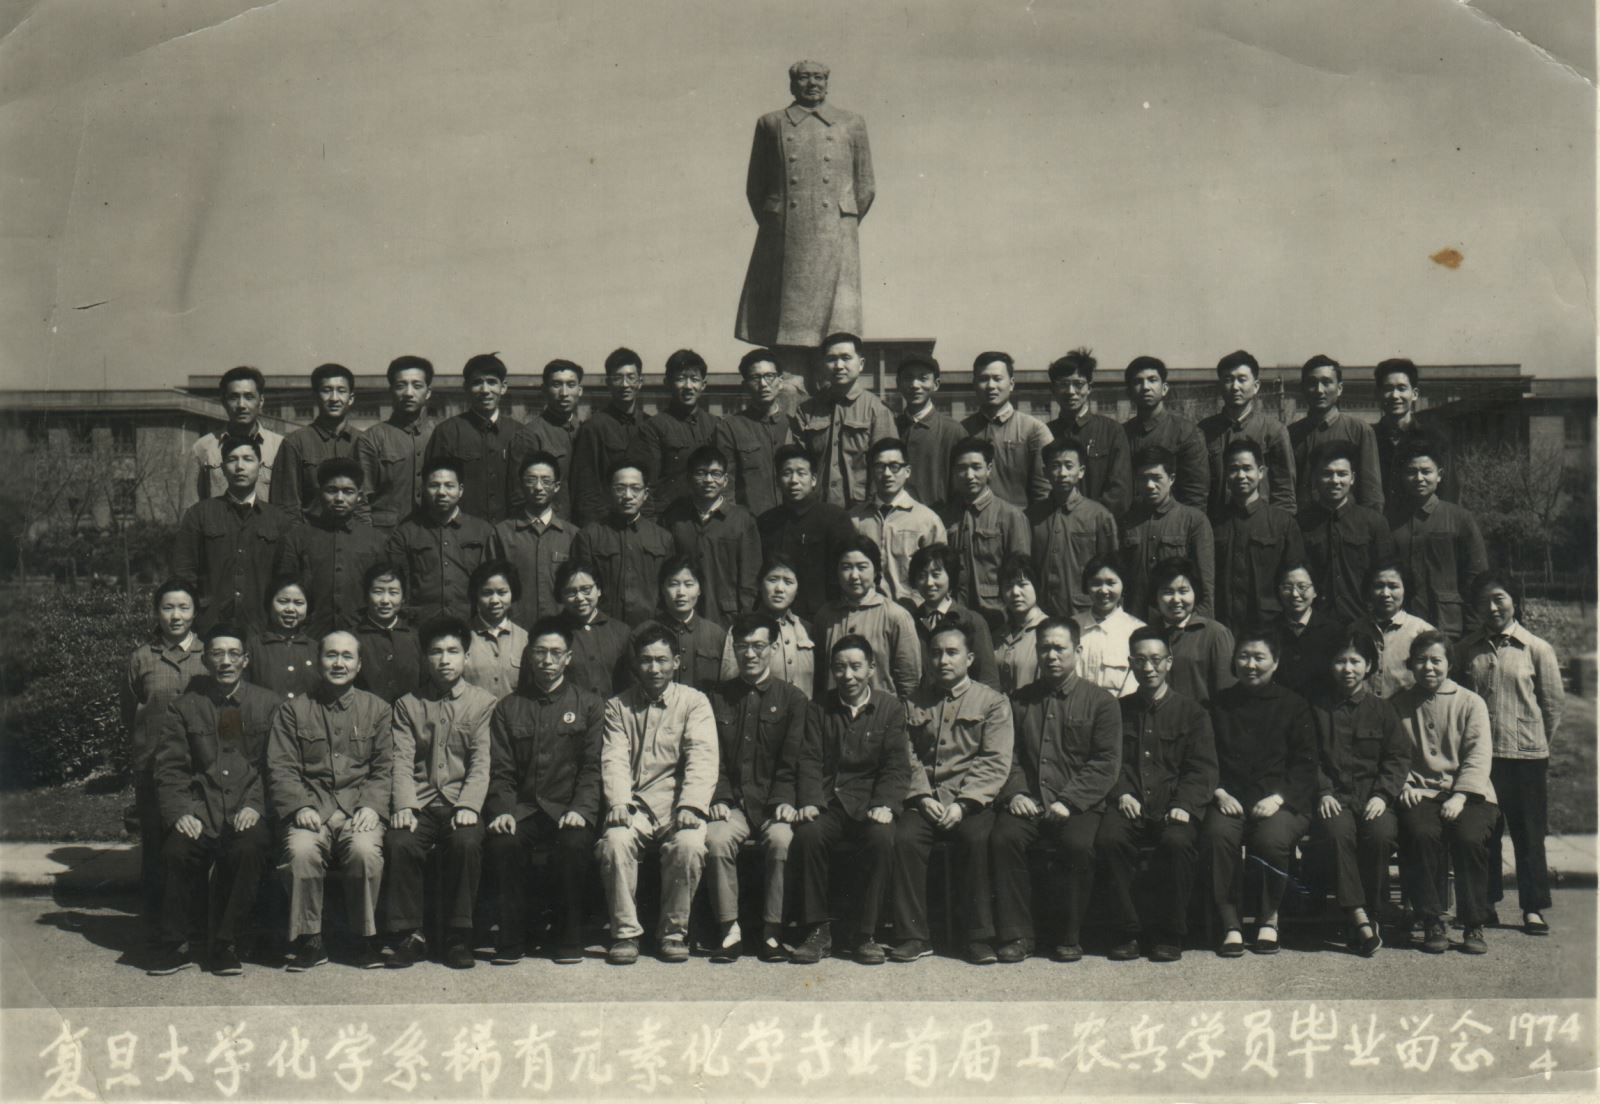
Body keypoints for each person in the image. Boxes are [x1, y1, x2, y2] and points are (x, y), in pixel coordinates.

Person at [146, 624, 283, 976]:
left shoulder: (268, 704)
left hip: (247, 809)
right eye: (217, 654)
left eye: (234, 654)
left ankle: (225, 943)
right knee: (176, 851)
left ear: (246, 660)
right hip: (201, 810)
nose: (226, 661)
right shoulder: (185, 707)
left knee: (250, 849)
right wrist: (181, 812)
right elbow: (170, 768)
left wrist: (255, 805)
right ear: (205, 660)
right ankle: (174, 943)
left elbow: (276, 767)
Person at [992, 618, 1121, 963]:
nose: (1051, 656)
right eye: (1044, 648)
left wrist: (1069, 801)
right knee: (1004, 838)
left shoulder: (1102, 702)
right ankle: (1018, 935)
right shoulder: (1019, 701)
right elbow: (1007, 755)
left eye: (1059, 648)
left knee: (1077, 845)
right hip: (1030, 800)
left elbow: (1106, 762)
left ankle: (1068, 936)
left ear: (1077, 651)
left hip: (1080, 804)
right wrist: (1016, 793)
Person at [267, 630, 392, 971]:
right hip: (312, 807)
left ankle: (363, 938)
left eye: (347, 656)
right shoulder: (293, 710)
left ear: (359, 664)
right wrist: (300, 806)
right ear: (318, 661)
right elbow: (281, 766)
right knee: (301, 851)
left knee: (365, 852)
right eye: (331, 655)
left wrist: (371, 806)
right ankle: (310, 939)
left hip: (359, 808)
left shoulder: (377, 709)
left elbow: (384, 767)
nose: (339, 663)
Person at [596, 623, 719, 965]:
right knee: (615, 841)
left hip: (677, 803)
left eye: (662, 660)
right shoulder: (618, 706)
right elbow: (614, 758)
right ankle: (625, 933)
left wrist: (691, 804)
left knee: (689, 845)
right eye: (646, 660)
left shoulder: (695, 702)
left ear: (676, 662)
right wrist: (618, 802)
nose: (654, 668)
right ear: (636, 664)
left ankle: (673, 933)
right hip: (635, 803)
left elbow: (702, 756)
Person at [892, 622, 1014, 964]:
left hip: (972, 801)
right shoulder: (912, 703)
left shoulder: (992, 702)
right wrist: (921, 796)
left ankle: (977, 937)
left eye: (951, 653)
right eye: (935, 653)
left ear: (969, 658)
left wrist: (964, 804)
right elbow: (906, 755)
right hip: (926, 800)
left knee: (976, 840)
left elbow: (995, 759)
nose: (943, 660)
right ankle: (914, 935)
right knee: (905, 839)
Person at [484, 617, 603, 965]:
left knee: (574, 844)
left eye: (555, 653)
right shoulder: (508, 707)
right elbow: (501, 770)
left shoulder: (588, 704)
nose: (547, 660)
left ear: (568, 658)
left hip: (567, 808)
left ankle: (568, 938)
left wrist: (581, 809)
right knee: (504, 842)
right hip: (523, 808)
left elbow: (592, 767)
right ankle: (511, 939)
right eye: (540, 652)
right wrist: (504, 811)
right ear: (529, 655)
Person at [1095, 628, 1217, 963]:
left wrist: (1184, 805)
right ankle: (1127, 932)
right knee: (1108, 839)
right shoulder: (1116, 710)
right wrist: (1121, 793)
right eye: (1140, 660)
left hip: (1173, 805)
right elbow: (1108, 760)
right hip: (1129, 802)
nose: (1148, 668)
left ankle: (1169, 933)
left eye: (1155, 660)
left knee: (1177, 842)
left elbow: (1202, 769)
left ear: (1169, 662)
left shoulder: (1193, 713)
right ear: (1130, 663)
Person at [736, 59, 874, 350]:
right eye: (804, 78)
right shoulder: (771, 123)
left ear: (827, 83)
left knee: (837, 322)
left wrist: (840, 221)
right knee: (787, 322)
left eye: (819, 78)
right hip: (785, 231)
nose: (812, 84)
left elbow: (865, 186)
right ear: (792, 84)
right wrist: (777, 222)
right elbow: (756, 187)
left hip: (835, 231)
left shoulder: (851, 122)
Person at [789, 636, 911, 965]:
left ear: (871, 668)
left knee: (881, 839)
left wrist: (885, 804)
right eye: (840, 667)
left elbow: (897, 766)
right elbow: (809, 758)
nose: (848, 675)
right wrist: (810, 800)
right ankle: (818, 930)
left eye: (856, 667)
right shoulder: (819, 707)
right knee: (808, 835)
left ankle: (865, 933)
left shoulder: (889, 708)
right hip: (830, 800)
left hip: (870, 803)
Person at [383, 618, 496, 970]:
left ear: (466, 657)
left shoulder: (483, 703)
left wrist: (469, 805)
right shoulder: (407, 705)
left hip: (460, 801)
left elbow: (481, 761)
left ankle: (457, 936)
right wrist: (405, 804)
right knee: (400, 841)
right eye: (436, 652)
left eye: (452, 651)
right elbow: (401, 760)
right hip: (421, 801)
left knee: (466, 841)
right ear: (425, 657)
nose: (444, 659)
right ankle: (411, 935)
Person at [1457, 573, 1565, 936]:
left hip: (1526, 760)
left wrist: (1533, 742)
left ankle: (1533, 908)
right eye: (1484, 601)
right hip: (1481, 760)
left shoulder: (1536, 648)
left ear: (1514, 601)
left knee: (1529, 834)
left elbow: (1552, 706)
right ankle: (1485, 905)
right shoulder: (1467, 649)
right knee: (1483, 833)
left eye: (1499, 599)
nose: (1492, 608)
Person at [1204, 629, 1317, 956]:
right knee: (1217, 835)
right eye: (1244, 657)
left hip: (1281, 801)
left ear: (1275, 662)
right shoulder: (1217, 704)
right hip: (1228, 799)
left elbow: (1306, 763)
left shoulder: (1294, 705)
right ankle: (1230, 923)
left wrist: (1279, 798)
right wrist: (1219, 793)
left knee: (1271, 839)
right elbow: (1203, 758)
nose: (1250, 664)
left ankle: (1269, 919)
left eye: (1259, 657)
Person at [704, 613, 809, 962]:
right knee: (717, 838)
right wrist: (719, 796)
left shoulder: (793, 699)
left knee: (781, 840)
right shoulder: (717, 697)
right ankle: (729, 931)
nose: (749, 654)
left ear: (774, 648)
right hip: (732, 804)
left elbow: (793, 759)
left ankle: (772, 931)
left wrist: (784, 800)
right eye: (742, 646)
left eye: (758, 646)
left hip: (772, 803)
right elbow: (711, 756)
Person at [1391, 631, 1500, 955]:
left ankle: (1473, 922)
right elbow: (1391, 754)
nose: (1428, 667)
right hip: (1419, 790)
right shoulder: (1397, 704)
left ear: (1449, 664)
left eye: (1436, 660)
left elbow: (1478, 755)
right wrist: (1404, 784)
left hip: (1470, 793)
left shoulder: (1471, 702)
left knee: (1469, 838)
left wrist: (1460, 795)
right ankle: (1431, 919)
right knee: (1421, 834)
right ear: (1411, 664)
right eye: (1421, 660)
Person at [1311, 630, 1410, 956]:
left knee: (1381, 835)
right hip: (1334, 798)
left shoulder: (1383, 710)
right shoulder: (1317, 709)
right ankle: (1359, 916)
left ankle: (1373, 912)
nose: (1348, 669)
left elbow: (1398, 757)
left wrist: (1382, 795)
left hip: (1373, 798)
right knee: (1337, 834)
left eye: (1355, 661)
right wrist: (1323, 792)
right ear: (1330, 665)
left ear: (1368, 666)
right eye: (1340, 661)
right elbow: (1308, 758)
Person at [122, 580, 206, 924]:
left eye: (184, 607)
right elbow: (130, 712)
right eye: (168, 607)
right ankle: (157, 926)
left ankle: (196, 922)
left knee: (193, 844)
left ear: (195, 612)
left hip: (199, 768)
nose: (176, 615)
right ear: (157, 612)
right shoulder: (141, 658)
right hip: (152, 767)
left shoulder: (209, 656)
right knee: (156, 846)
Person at [172, 435, 294, 632]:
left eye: (248, 459)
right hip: (209, 629)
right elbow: (184, 574)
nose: (239, 467)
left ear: (260, 466)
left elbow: (286, 580)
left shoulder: (278, 521)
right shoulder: (199, 515)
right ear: (222, 468)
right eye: (232, 460)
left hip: (262, 630)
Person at [1386, 439, 1488, 640]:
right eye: (1411, 472)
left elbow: (1477, 577)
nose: (1419, 478)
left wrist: (1473, 629)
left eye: (1426, 471)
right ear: (1402, 476)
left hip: (1449, 626)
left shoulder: (1460, 518)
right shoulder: (1390, 522)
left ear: (1439, 475)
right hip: (1402, 624)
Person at [275, 457, 388, 635]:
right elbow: (283, 592)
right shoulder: (297, 538)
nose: (339, 498)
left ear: (359, 496)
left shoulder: (376, 541)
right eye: (332, 490)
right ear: (319, 493)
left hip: (361, 636)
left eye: (348, 491)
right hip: (309, 637)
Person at [385, 457, 503, 625]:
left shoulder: (483, 531)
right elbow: (399, 584)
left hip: (471, 625)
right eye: (434, 485)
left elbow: (493, 582)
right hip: (421, 625)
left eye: (449, 485)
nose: (441, 492)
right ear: (423, 489)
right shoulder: (405, 533)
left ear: (460, 490)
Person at [790, 333, 896, 508]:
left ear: (861, 364)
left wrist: (874, 511)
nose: (839, 366)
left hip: (860, 511)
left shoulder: (877, 410)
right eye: (831, 359)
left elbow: (887, 468)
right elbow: (795, 463)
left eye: (846, 358)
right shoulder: (806, 411)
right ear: (823, 364)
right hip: (816, 509)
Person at [1210, 437, 1305, 632]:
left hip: (1269, 627)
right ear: (1226, 474)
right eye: (1233, 469)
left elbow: (1295, 577)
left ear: (1261, 472)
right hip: (1223, 626)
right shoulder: (1213, 523)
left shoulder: (1282, 523)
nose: (1241, 475)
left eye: (1247, 468)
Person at [1297, 441, 1395, 625]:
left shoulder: (1374, 523)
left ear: (1353, 478)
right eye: (1327, 474)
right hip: (1315, 625)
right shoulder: (1300, 524)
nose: (1335, 481)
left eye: (1342, 474)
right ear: (1315, 478)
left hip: (1363, 623)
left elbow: (1386, 575)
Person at [757, 443, 859, 619]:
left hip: (822, 618)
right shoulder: (766, 521)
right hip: (774, 616)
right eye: (787, 473)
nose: (794, 480)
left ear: (813, 480)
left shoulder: (834, 518)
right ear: (778, 480)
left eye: (801, 473)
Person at [662, 445, 761, 626]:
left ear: (725, 480)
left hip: (728, 619)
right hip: (683, 616)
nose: (708, 480)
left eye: (715, 473)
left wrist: (744, 619)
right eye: (701, 473)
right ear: (689, 478)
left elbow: (750, 578)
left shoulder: (742, 519)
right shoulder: (675, 518)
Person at [570, 459, 676, 627]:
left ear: (646, 493)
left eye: (635, 488)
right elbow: (581, 588)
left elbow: (669, 589)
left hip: (650, 630)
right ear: (608, 492)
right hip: (603, 630)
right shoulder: (588, 536)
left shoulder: (663, 538)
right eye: (620, 488)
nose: (627, 496)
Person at [424, 353, 528, 524]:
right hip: (461, 532)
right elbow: (432, 489)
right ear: (466, 387)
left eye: (492, 382)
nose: (485, 390)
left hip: (510, 532)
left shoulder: (520, 433)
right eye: (477, 382)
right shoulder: (447, 432)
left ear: (503, 387)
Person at [814, 539, 921, 699]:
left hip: (881, 710)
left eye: (862, 567)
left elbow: (909, 681)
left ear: (876, 570)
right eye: (846, 567)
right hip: (834, 709)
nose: (854, 575)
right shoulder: (825, 615)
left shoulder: (895, 615)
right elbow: (819, 673)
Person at [942, 437, 1032, 626]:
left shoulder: (1010, 516)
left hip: (997, 616)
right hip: (954, 615)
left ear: (989, 469)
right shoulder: (946, 516)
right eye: (961, 468)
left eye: (976, 467)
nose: (969, 475)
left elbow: (1020, 573)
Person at [1118, 445, 1215, 620]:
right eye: (1143, 478)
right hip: (1136, 620)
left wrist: (1194, 627)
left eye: (1156, 478)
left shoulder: (1194, 521)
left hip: (1178, 622)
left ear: (1171, 479)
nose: (1149, 485)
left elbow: (1205, 588)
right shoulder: (1126, 522)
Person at [1028, 437, 1118, 619]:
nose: (1062, 473)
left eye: (1069, 466)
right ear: (1045, 472)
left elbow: (1112, 568)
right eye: (1055, 466)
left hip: (1083, 612)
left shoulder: (1099, 516)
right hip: (1041, 612)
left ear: (1081, 471)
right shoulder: (1032, 516)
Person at [1199, 349, 1296, 514]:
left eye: (1242, 379)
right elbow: (1197, 488)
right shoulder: (1204, 431)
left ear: (1256, 386)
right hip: (1216, 523)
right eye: (1228, 380)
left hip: (1261, 524)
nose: (1235, 387)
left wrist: (1277, 525)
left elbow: (1284, 492)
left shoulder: (1274, 431)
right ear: (1220, 386)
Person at [850, 437, 945, 601]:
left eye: (894, 467)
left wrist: (917, 604)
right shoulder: (854, 518)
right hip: (864, 608)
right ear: (871, 471)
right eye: (880, 467)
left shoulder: (928, 520)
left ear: (907, 471)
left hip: (912, 609)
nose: (887, 474)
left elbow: (940, 574)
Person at [1043, 348, 1132, 516]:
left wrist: (1088, 519)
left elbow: (1120, 491)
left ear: (1089, 388)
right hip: (1053, 524)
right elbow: (1039, 488)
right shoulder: (1044, 433)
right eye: (1063, 384)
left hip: (1099, 524)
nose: (1071, 392)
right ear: (1053, 389)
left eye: (1078, 384)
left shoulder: (1112, 430)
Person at [1290, 354, 1384, 510]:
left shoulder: (1359, 430)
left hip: (1350, 521)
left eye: (1326, 382)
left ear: (1339, 388)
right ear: (1303, 388)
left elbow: (1371, 494)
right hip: (1303, 522)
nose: (1319, 390)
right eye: (1312, 383)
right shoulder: (1290, 433)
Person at [495, 450, 576, 629]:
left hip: (561, 631)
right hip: (514, 630)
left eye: (546, 481)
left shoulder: (572, 535)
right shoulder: (501, 533)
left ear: (557, 486)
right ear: (521, 484)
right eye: (531, 480)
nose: (538, 487)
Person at [274, 363, 366, 521]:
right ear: (315, 396)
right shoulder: (295, 443)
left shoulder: (365, 442)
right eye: (327, 390)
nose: (334, 398)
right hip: (309, 533)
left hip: (356, 534)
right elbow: (286, 506)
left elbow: (367, 503)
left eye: (341, 391)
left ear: (351, 398)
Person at [901, 543, 998, 691]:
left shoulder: (972, 621)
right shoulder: (909, 622)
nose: (929, 583)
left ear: (950, 576)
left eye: (936, 574)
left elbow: (988, 679)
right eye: (922, 576)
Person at [962, 351, 1053, 508]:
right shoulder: (962, 430)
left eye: (997, 379)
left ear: (1011, 384)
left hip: (1020, 519)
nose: (991, 386)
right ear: (974, 384)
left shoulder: (1034, 430)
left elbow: (1044, 491)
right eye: (984, 379)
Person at [717, 556, 818, 697]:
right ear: (760, 584)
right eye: (773, 580)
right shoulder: (741, 628)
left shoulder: (807, 630)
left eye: (788, 582)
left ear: (797, 589)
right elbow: (729, 683)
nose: (779, 589)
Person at [356, 355, 436, 531]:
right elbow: (360, 500)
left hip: (431, 535)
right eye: (401, 386)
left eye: (417, 386)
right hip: (384, 536)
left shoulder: (439, 435)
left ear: (428, 392)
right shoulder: (371, 438)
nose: (408, 393)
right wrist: (369, 539)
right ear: (391, 391)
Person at [638, 349, 720, 519]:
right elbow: (647, 485)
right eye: (680, 379)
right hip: (669, 519)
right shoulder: (653, 427)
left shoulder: (717, 425)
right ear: (667, 383)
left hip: (709, 518)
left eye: (694, 379)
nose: (688, 386)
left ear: (703, 385)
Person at [571, 348, 647, 526]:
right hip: (607, 525)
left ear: (640, 382)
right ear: (608, 383)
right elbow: (586, 489)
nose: (625, 384)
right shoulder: (593, 427)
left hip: (645, 527)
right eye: (617, 378)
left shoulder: (650, 425)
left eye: (631, 377)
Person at [714, 348, 794, 518]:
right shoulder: (729, 428)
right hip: (751, 524)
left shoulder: (794, 424)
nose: (763, 384)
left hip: (793, 522)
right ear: (745, 385)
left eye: (769, 376)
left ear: (780, 381)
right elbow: (726, 486)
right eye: (755, 378)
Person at [188, 365, 284, 506]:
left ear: (261, 401)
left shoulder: (280, 447)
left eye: (249, 397)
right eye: (234, 397)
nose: (241, 405)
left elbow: (289, 508)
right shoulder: (202, 448)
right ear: (223, 401)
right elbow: (190, 507)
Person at [1120, 355, 1208, 508]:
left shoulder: (1187, 432)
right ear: (1129, 392)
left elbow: (1195, 494)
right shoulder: (1120, 433)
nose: (1145, 387)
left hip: (1172, 520)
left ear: (1164, 388)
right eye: (1138, 381)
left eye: (1152, 380)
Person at [1150, 558, 1235, 709]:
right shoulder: (1148, 634)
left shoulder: (1216, 634)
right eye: (1168, 592)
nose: (1176, 599)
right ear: (1155, 596)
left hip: (1202, 721)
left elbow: (1228, 696)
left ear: (1195, 592)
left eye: (1183, 591)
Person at [1374, 358, 1455, 502]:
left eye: (1402, 388)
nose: (1395, 395)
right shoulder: (1367, 438)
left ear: (1415, 394)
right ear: (1378, 394)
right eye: (1388, 389)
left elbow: (1449, 492)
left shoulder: (1435, 439)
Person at [513, 358, 584, 521]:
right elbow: (519, 493)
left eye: (571, 385)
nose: (564, 393)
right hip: (550, 525)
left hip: (585, 525)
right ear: (544, 390)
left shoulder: (585, 429)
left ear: (580, 390)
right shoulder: (530, 434)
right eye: (556, 385)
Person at [1354, 561, 1435, 698]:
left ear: (1405, 589)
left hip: (1407, 709)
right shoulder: (1355, 630)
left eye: (1393, 586)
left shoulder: (1423, 632)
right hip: (1363, 709)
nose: (1385, 593)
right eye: (1379, 586)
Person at [893, 353, 964, 510]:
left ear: (936, 384)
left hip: (940, 519)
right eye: (908, 378)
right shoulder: (890, 427)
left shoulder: (953, 431)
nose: (914, 385)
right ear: (898, 384)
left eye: (923, 378)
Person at [553, 559, 632, 698]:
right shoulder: (551, 632)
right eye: (571, 592)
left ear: (599, 590)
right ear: (561, 595)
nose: (580, 598)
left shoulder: (621, 632)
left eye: (586, 590)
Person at [1267, 563, 1342, 701]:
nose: (1295, 594)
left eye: (1302, 587)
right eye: (1287, 587)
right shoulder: (1268, 631)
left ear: (1315, 591)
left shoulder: (1334, 632)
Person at [1073, 557, 1144, 697]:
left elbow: (1137, 683)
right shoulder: (1071, 627)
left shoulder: (1138, 630)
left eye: (1111, 583)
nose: (1104, 590)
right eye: (1096, 583)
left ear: (1123, 585)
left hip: (1120, 708)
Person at [352, 562, 421, 704]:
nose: (385, 600)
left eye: (393, 593)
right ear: (366, 596)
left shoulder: (416, 638)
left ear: (403, 598)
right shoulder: (351, 639)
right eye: (378, 592)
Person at [656, 555, 728, 689]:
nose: (681, 592)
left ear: (699, 589)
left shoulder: (717, 635)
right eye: (673, 584)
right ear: (662, 589)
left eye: (689, 584)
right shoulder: (645, 631)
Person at [462, 560, 528, 699]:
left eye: (502, 592)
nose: (494, 600)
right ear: (476, 595)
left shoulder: (525, 639)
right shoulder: (461, 636)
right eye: (487, 593)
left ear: (512, 593)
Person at [247, 576, 320, 700]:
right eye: (283, 601)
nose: (290, 609)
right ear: (269, 603)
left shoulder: (317, 649)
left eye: (298, 603)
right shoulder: (252, 648)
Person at [994, 554, 1049, 693]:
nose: (1015, 592)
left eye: (1022, 584)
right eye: (1008, 586)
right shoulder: (997, 635)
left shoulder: (1050, 631)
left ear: (1036, 586)